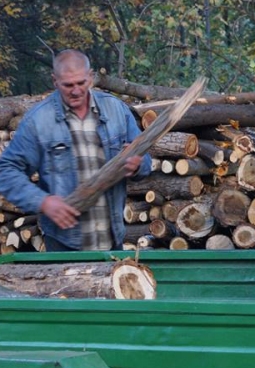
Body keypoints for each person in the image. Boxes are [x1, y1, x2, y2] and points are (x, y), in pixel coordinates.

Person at [0, 49, 151, 251]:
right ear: (55, 81)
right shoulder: (38, 121)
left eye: (81, 83)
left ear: (90, 77)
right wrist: (43, 202)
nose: (76, 90)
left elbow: (145, 159)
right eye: (68, 85)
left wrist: (138, 165)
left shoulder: (116, 110)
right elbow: (6, 171)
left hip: (112, 241)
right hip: (64, 245)